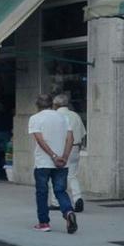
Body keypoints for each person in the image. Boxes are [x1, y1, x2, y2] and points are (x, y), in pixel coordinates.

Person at [28, 93, 77, 234]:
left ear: (37, 105)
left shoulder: (35, 118)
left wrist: (53, 156)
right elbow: (70, 139)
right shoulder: (63, 118)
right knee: (60, 190)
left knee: (42, 192)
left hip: (43, 162)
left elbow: (40, 140)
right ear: (52, 104)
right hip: (62, 163)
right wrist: (64, 157)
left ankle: (44, 223)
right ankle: (68, 211)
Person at [53, 93, 86, 212]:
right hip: (76, 147)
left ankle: (56, 201)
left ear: (55, 104)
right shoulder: (75, 115)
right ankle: (78, 198)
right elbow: (82, 133)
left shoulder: (56, 116)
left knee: (56, 175)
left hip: (61, 148)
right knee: (72, 175)